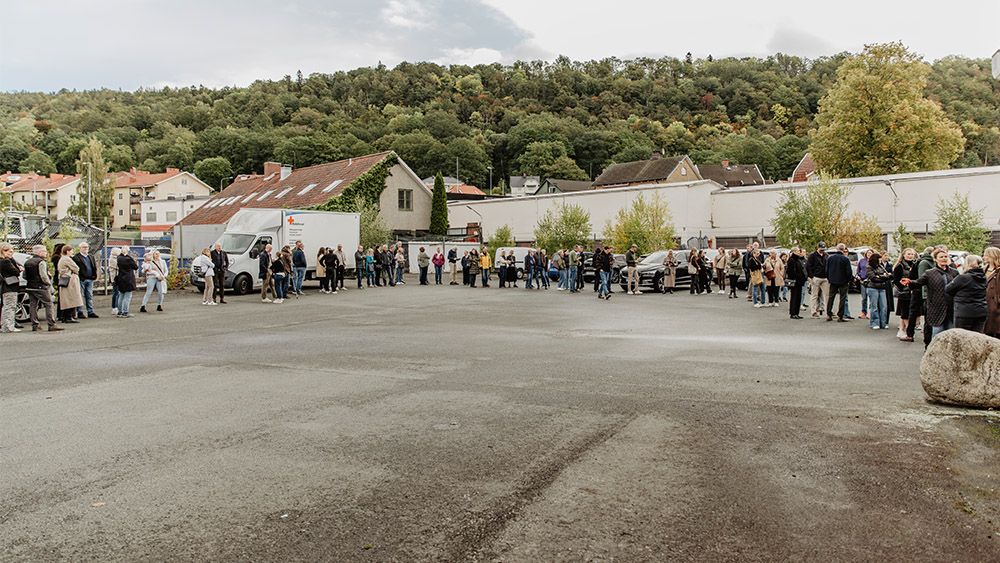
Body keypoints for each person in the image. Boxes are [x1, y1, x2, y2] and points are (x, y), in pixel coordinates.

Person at [911, 247, 959, 343]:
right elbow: (918, 282)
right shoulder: (930, 273)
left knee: (951, 335)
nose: (944, 259)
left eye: (946, 256)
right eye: (941, 257)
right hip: (936, 308)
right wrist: (909, 282)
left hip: (950, 308)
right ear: (935, 259)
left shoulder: (954, 272)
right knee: (937, 334)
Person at [23, 245, 62, 331]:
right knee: (48, 304)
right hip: (40, 286)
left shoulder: (28, 262)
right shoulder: (41, 262)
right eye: (44, 251)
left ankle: (35, 324)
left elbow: (24, 275)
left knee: (33, 305)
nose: (46, 253)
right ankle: (51, 324)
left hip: (30, 286)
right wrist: (48, 283)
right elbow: (43, 275)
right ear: (39, 252)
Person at [946, 255, 988, 333]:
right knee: (977, 337)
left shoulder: (963, 278)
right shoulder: (984, 278)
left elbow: (948, 289)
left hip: (964, 312)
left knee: (962, 337)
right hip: (981, 311)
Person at [892, 248, 917, 339]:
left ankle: (901, 329)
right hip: (903, 292)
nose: (910, 256)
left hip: (912, 291)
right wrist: (903, 288)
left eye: (912, 254)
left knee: (908, 312)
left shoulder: (915, 264)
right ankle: (908, 331)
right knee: (905, 312)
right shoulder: (900, 266)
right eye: (908, 254)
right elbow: (896, 280)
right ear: (904, 255)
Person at [825, 244, 852, 322]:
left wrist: (829, 278)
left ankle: (829, 314)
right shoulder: (845, 259)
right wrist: (848, 280)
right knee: (842, 298)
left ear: (837, 249)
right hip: (843, 280)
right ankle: (840, 315)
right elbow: (848, 271)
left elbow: (827, 270)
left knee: (831, 297)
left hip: (833, 280)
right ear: (843, 250)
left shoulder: (830, 258)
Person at [57, 245, 83, 323]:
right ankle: (69, 316)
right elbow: (76, 268)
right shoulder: (67, 259)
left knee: (66, 299)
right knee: (71, 298)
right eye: (71, 251)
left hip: (65, 279)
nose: (72, 252)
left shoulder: (62, 259)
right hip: (70, 280)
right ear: (67, 251)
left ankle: (65, 317)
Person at [865, 252, 891, 330]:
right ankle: (874, 322)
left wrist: (880, 276)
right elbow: (873, 278)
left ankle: (883, 322)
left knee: (884, 306)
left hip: (882, 288)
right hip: (873, 288)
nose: (880, 261)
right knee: (874, 306)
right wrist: (883, 277)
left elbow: (888, 276)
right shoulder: (869, 267)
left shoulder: (881, 266)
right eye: (879, 260)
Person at [73, 242, 98, 318]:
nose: (85, 248)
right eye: (84, 247)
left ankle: (90, 311)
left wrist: (94, 275)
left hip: (90, 278)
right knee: (80, 296)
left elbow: (94, 266)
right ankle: (80, 311)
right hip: (82, 279)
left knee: (89, 296)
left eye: (86, 247)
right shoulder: (76, 257)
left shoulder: (91, 256)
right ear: (80, 248)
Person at [1, 243, 22, 333]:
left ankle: (5, 325)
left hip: (4, 286)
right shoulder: (6, 262)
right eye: (9, 252)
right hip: (10, 286)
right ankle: (9, 327)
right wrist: (18, 268)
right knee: (10, 306)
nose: (11, 254)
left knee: (6, 306)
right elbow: (15, 271)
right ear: (3, 251)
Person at [806, 242, 829, 317]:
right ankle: (813, 311)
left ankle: (829, 311)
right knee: (814, 295)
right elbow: (808, 266)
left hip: (825, 277)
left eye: (823, 249)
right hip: (816, 277)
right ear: (818, 247)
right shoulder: (812, 255)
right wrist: (811, 276)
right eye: (820, 249)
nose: (822, 251)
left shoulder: (826, 255)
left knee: (827, 295)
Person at [116, 246, 139, 318]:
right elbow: (135, 267)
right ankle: (125, 312)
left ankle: (119, 311)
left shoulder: (119, 258)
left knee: (121, 295)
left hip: (121, 277)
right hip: (128, 278)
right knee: (127, 296)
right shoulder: (128, 259)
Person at [983, 247, 1000, 338]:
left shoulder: (998, 271)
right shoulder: (984, 269)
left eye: (986, 255)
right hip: (985, 303)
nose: (984, 257)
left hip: (995, 306)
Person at [786, 247, 807, 319]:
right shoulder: (792, 260)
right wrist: (797, 276)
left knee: (798, 297)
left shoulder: (798, 259)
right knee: (794, 297)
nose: (799, 252)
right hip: (794, 281)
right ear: (794, 251)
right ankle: (793, 313)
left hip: (799, 282)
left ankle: (796, 312)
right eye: (798, 251)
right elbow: (790, 271)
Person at [856, 249, 873, 319]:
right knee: (864, 298)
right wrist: (860, 276)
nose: (869, 254)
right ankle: (864, 312)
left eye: (870, 253)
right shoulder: (862, 261)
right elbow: (858, 270)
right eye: (868, 253)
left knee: (871, 298)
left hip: (870, 281)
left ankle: (870, 313)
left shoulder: (873, 262)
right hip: (863, 281)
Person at [108, 247, 122, 315]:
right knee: (116, 293)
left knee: (118, 293)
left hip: (118, 277)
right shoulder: (112, 259)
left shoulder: (116, 258)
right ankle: (115, 307)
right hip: (115, 278)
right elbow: (118, 266)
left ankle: (117, 306)